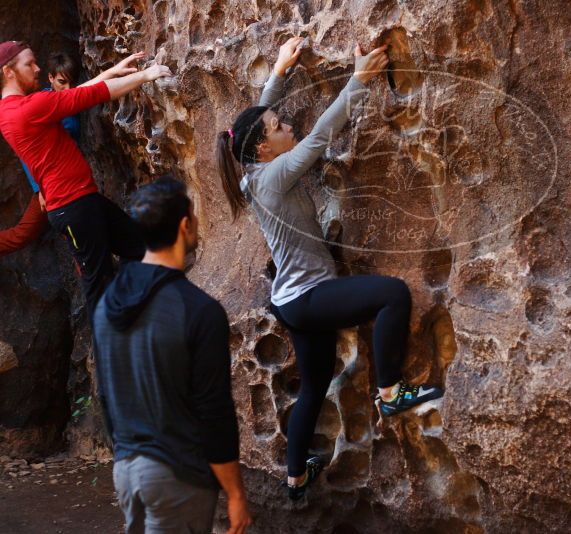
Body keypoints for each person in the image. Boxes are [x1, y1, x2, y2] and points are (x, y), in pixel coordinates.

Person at [216, 37, 445, 500]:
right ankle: (390, 394)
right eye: (281, 127)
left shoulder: (252, 167)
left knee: (316, 384)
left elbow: (255, 122)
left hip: (290, 299)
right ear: (265, 150)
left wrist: (280, 72)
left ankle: (295, 480)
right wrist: (359, 82)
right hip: (308, 297)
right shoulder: (275, 176)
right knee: (393, 294)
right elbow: (321, 135)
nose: (288, 126)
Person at [93, 177, 252, 534]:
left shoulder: (107, 305)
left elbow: (107, 395)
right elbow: (214, 412)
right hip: (176, 475)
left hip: (127, 470)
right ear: (185, 226)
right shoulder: (197, 310)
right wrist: (235, 492)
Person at [0, 40, 170, 315]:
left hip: (81, 200)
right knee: (98, 285)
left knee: (140, 245)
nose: (38, 68)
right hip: (72, 208)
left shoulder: (11, 110)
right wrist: (145, 75)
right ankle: (111, 352)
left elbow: (71, 96)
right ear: (9, 72)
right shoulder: (28, 108)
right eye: (29, 64)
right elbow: (89, 97)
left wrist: (111, 71)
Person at [0, 50, 142, 258]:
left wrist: (112, 71)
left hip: (74, 188)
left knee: (115, 245)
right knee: (28, 233)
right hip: (56, 191)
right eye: (60, 81)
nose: (66, 87)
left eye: (70, 82)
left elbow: (81, 92)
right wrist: (40, 188)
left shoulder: (52, 100)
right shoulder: (36, 104)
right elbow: (27, 155)